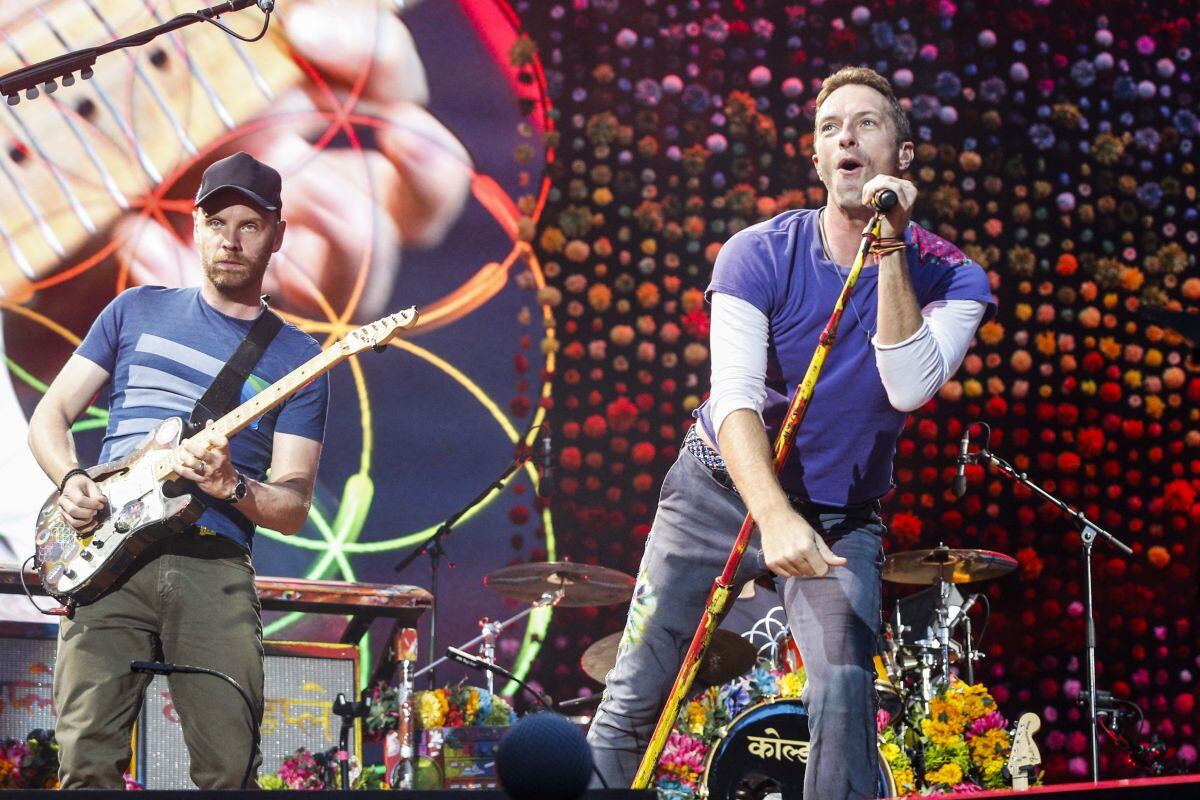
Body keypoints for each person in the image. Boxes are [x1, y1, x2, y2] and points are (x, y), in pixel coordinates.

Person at [587, 67, 995, 798]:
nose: (847, 136)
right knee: (636, 689)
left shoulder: (954, 276)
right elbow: (736, 398)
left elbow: (907, 386)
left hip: (840, 516)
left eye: (868, 123)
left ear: (902, 158)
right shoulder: (756, 253)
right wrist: (772, 515)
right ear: (816, 159)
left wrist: (892, 252)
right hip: (718, 492)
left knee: (842, 692)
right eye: (831, 126)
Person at [26, 152, 329, 789]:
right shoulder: (134, 310)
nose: (231, 238)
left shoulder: (299, 358)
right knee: (86, 768)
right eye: (218, 221)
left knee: (227, 772)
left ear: (276, 235)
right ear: (194, 225)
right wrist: (71, 479)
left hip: (212, 566)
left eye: (250, 225)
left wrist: (232, 486)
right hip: (106, 563)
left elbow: (295, 506)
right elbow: (48, 416)